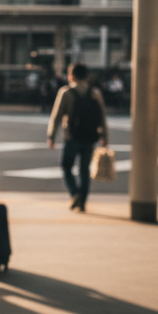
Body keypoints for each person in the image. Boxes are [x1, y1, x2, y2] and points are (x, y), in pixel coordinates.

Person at [47, 61, 108, 212]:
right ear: (86, 76)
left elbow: (56, 116)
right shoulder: (95, 93)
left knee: (66, 166)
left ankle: (75, 194)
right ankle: (83, 200)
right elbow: (102, 117)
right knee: (84, 170)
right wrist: (104, 136)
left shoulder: (66, 92)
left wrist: (51, 136)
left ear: (71, 76)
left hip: (71, 136)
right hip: (90, 136)